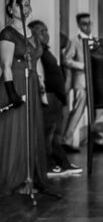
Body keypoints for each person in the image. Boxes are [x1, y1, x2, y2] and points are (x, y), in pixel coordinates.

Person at [0, 0, 49, 195]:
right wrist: (12, 93)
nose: (24, 8)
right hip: (16, 84)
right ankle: (15, 179)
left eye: (27, 4)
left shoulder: (33, 34)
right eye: (19, 4)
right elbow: (6, 66)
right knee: (16, 132)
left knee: (31, 130)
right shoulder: (8, 33)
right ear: (10, 9)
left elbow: (37, 62)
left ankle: (31, 178)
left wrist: (42, 88)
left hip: (32, 84)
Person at [28, 20, 83, 177]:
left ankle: (62, 163)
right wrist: (43, 95)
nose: (46, 34)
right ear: (32, 34)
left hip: (56, 97)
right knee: (48, 134)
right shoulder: (35, 51)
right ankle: (49, 165)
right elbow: (38, 75)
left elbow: (64, 40)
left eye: (46, 30)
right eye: (41, 31)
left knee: (54, 135)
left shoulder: (45, 49)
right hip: (49, 96)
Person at [61, 12, 100, 152]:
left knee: (96, 112)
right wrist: (83, 66)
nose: (88, 26)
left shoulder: (96, 41)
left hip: (95, 81)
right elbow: (66, 60)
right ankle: (66, 140)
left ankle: (96, 140)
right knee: (77, 111)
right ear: (78, 25)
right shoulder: (74, 41)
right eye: (84, 24)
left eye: (89, 23)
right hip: (81, 81)